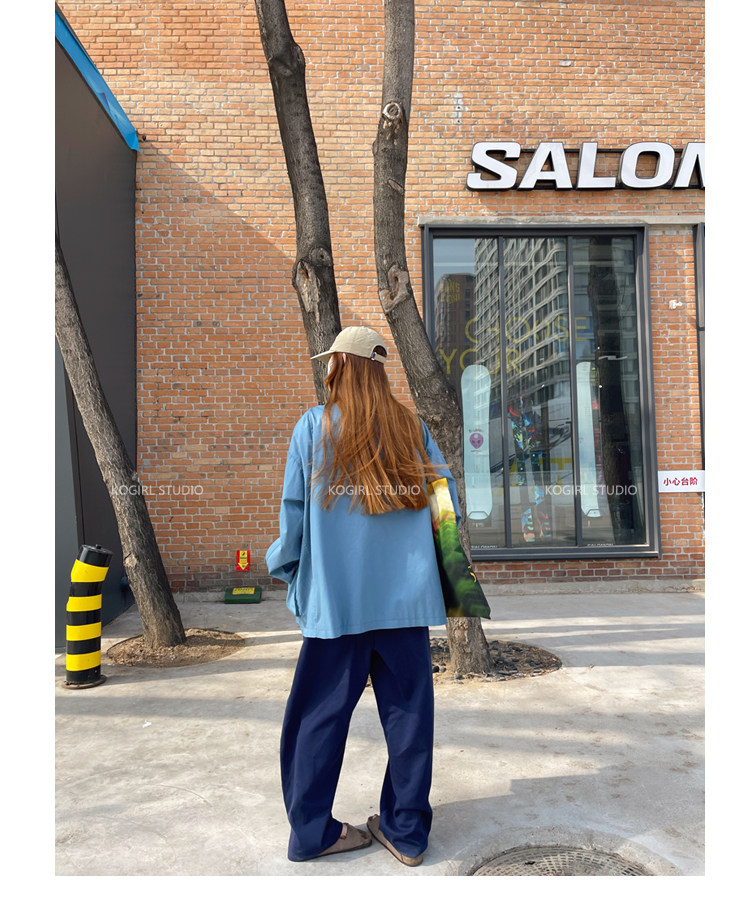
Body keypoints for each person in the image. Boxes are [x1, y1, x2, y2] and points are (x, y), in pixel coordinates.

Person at [265, 325, 461, 866]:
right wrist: (442, 580)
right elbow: (445, 510)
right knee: (409, 718)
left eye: (331, 360)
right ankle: (407, 832)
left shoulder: (313, 427)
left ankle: (313, 833)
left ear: (342, 366)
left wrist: (288, 571)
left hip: (337, 605)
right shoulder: (413, 430)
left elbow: (294, 517)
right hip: (405, 606)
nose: (327, 367)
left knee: (317, 719)